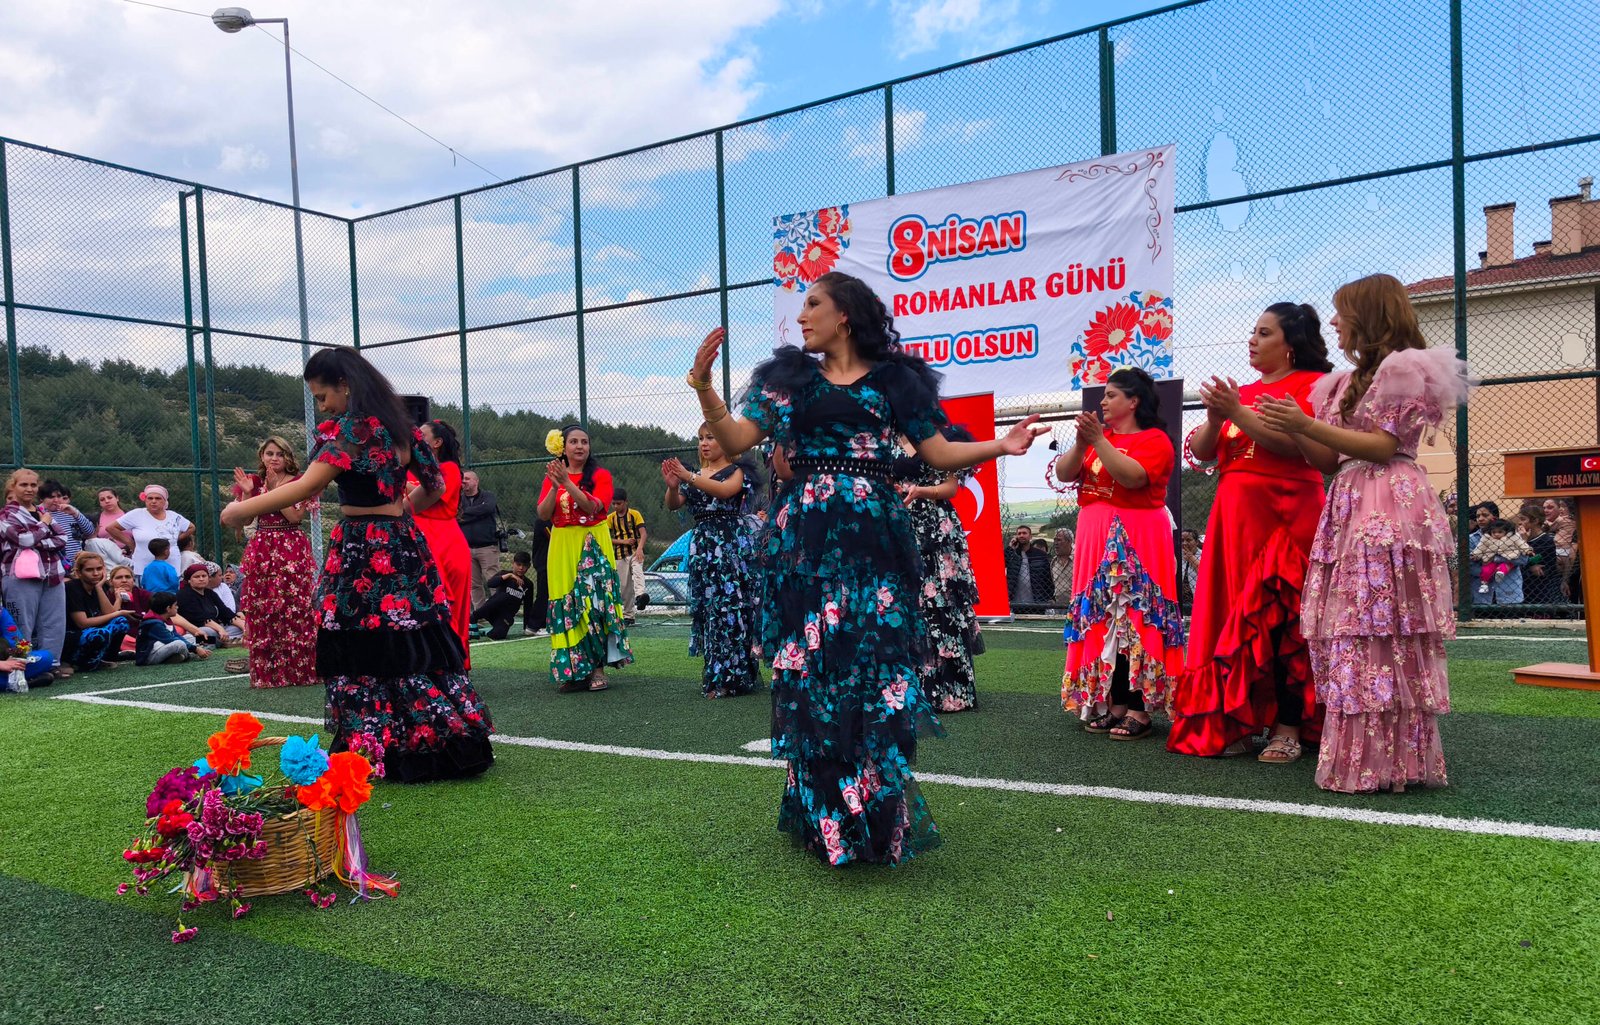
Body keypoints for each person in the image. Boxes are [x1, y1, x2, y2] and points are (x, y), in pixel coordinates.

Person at [685, 270, 1047, 867]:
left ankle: (876, 809)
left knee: (876, 667)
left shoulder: (894, 381)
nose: (802, 316)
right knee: (816, 667)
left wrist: (1000, 447)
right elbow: (738, 434)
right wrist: (703, 387)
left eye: (813, 305)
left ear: (844, 315)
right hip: (808, 539)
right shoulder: (789, 380)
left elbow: (936, 452)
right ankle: (825, 813)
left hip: (876, 535)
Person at [220, 347, 494, 783]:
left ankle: (374, 744)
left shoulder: (352, 433)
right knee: (411, 637)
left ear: (345, 386)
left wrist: (241, 510)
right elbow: (436, 485)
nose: (322, 405)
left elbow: (305, 487)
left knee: (362, 641)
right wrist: (402, 507)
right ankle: (434, 739)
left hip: (361, 550)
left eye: (323, 396)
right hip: (403, 544)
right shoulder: (402, 431)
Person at [1259, 272, 1468, 794]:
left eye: (1342, 311)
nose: (1333, 322)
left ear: (1369, 315)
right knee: (1355, 628)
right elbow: (1331, 460)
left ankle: (1395, 761)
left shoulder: (1406, 369)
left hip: (1387, 502)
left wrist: (1304, 425)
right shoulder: (1341, 383)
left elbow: (1382, 444)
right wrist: (1295, 426)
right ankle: (1371, 759)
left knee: (1383, 626)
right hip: (1350, 500)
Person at [1168, 301, 1333, 763]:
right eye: (1253, 332)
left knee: (1282, 619)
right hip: (1234, 517)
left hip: (1287, 513)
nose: (1252, 340)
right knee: (1231, 619)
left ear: (1291, 344)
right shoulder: (1242, 393)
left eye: (1263, 333)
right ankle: (1234, 720)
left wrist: (1235, 411)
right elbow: (1201, 453)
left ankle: (1288, 726)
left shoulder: (1312, 385)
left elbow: (1297, 446)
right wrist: (1218, 418)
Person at [1056, 367, 1184, 740]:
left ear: (1134, 401)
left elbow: (1131, 477)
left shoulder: (1155, 439)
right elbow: (1066, 474)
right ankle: (1113, 703)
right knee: (1104, 614)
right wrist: (1083, 443)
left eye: (1112, 394)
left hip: (1138, 534)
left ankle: (1140, 709)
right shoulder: (1101, 439)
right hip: (1096, 533)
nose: (1104, 401)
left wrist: (1099, 441)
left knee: (1136, 614)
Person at [662, 423, 760, 699]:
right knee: (710, 611)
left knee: (732, 609)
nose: (704, 443)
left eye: (711, 437)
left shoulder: (737, 471)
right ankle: (717, 674)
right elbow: (673, 503)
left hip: (729, 545)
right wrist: (673, 486)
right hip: (704, 547)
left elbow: (726, 491)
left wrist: (688, 476)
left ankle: (735, 675)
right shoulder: (696, 474)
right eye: (701, 438)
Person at [893, 425, 985, 713]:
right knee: (900, 603)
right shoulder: (883, 439)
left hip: (935, 528)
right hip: (898, 525)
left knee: (940, 604)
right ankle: (904, 688)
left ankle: (949, 689)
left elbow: (951, 487)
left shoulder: (939, 437)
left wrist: (920, 491)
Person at [539, 424, 633, 692]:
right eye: (574, 442)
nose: (580, 446)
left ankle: (597, 669)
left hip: (593, 542)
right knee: (567, 603)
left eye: (584, 442)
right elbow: (544, 514)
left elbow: (593, 506)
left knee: (594, 602)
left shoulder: (600, 475)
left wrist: (567, 483)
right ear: (564, 447)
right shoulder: (553, 476)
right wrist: (553, 488)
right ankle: (574, 670)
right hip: (562, 543)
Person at [233, 435, 319, 689]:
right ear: (262, 456)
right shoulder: (254, 482)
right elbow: (244, 521)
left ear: (288, 457)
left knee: (294, 608)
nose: (274, 458)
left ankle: (300, 671)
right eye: (270, 453)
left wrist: (272, 491)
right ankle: (268, 673)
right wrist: (248, 493)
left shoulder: (301, 482)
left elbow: (294, 516)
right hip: (262, 549)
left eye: (280, 454)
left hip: (290, 546)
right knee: (264, 609)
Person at [409, 420, 473, 665]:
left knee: (449, 603)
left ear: (437, 443)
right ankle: (427, 662)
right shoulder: (410, 467)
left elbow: (429, 495)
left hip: (445, 540)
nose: (416, 437)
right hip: (419, 537)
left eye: (422, 434)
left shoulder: (449, 468)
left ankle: (454, 662)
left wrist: (404, 484)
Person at [1, 468, 71, 680]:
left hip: (53, 573)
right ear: (13, 487)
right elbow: (23, 541)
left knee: (54, 621)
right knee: (22, 624)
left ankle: (52, 664)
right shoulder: (6, 515)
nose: (29, 489)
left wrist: (39, 538)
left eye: (33, 485)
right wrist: (44, 526)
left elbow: (63, 538)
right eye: (23, 485)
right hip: (20, 576)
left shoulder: (42, 510)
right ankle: (22, 666)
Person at [62, 552, 133, 672]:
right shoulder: (72, 587)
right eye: (89, 570)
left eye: (99, 569)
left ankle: (108, 658)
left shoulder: (100, 586)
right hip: (71, 635)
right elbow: (82, 623)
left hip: (89, 630)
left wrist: (99, 588)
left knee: (121, 622)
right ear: (79, 573)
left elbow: (110, 615)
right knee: (100, 632)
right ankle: (82, 663)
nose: (96, 573)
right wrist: (117, 613)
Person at [107, 485, 193, 580]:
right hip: (144, 566)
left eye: (158, 498)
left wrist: (176, 538)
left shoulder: (173, 516)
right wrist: (130, 543)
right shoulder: (137, 514)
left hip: (171, 566)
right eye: (150, 498)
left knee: (170, 593)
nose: (153, 501)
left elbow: (191, 527)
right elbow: (111, 528)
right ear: (145, 500)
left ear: (164, 501)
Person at [458, 470, 503, 609]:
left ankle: (497, 611)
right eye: (463, 479)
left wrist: (464, 514)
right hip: (466, 548)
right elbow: (454, 514)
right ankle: (480, 613)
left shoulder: (488, 496)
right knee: (474, 584)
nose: (464, 481)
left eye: (467, 478)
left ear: (476, 481)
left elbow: (488, 508)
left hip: (487, 547)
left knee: (494, 580)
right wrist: (478, 513)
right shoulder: (458, 499)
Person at [471, 551, 534, 640]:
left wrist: (526, 627)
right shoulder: (504, 573)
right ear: (513, 563)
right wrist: (509, 575)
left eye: (524, 566)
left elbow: (528, 606)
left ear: (528, 566)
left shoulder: (528, 584)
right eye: (518, 564)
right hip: (491, 610)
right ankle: (473, 617)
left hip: (505, 616)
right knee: (504, 596)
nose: (521, 568)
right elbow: (490, 584)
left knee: (497, 635)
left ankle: (487, 631)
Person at [607, 488, 648, 624]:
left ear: (625, 502)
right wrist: (623, 541)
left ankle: (641, 596)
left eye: (618, 503)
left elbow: (643, 533)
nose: (616, 506)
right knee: (624, 586)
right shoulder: (611, 519)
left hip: (635, 552)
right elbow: (606, 538)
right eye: (614, 504)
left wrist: (640, 548)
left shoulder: (634, 515)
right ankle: (628, 615)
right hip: (619, 555)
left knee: (637, 572)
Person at [1471, 518, 1531, 605]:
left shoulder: (1514, 538)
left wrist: (1496, 559)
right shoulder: (1474, 539)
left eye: (1485, 515)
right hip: (1482, 595)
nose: (1480, 519)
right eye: (1477, 515)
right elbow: (1470, 564)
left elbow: (1523, 559)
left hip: (1510, 592)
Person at [39, 481, 95, 572]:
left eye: (59, 496)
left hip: (76, 562)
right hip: (53, 563)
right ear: (42, 499)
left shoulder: (69, 511)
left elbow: (89, 531)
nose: (56, 500)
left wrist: (75, 514)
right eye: (51, 497)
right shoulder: (38, 513)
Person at [1, 605, 58, 692]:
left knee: (46, 657)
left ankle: (15, 681)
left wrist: (16, 658)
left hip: (6, 660)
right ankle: (21, 683)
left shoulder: (1, 612)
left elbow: (17, 641)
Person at [136, 591, 201, 666]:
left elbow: (176, 635)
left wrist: (193, 647)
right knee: (180, 644)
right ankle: (188, 655)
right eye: (175, 605)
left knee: (189, 637)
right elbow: (171, 639)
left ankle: (171, 658)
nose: (177, 607)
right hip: (148, 657)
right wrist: (195, 649)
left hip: (161, 648)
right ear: (168, 608)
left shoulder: (166, 619)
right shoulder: (153, 623)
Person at [1519, 503, 1563, 605]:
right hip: (1522, 587)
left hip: (1540, 589)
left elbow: (1536, 560)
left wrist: (1528, 562)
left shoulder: (1546, 540)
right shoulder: (1519, 539)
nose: (1519, 523)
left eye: (1523, 519)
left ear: (1535, 521)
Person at [1004, 524, 1052, 610]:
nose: (1021, 535)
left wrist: (1048, 597)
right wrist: (1010, 548)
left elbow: (1047, 577)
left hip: (1037, 601)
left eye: (1024, 533)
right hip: (1015, 603)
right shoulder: (1012, 554)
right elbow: (1002, 563)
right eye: (1019, 533)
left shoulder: (1040, 555)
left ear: (1030, 536)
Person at [1049, 528, 1074, 609]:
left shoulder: (1078, 560)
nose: (1055, 543)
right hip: (1059, 606)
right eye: (1055, 540)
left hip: (1076, 605)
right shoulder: (1054, 562)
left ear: (1069, 542)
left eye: (1059, 540)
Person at [1177, 529, 1202, 610]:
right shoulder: (1177, 555)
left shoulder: (1204, 555)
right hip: (1180, 599)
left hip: (1197, 597)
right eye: (1182, 540)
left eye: (1188, 540)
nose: (1184, 543)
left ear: (1196, 542)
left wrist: (1191, 558)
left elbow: (1204, 574)